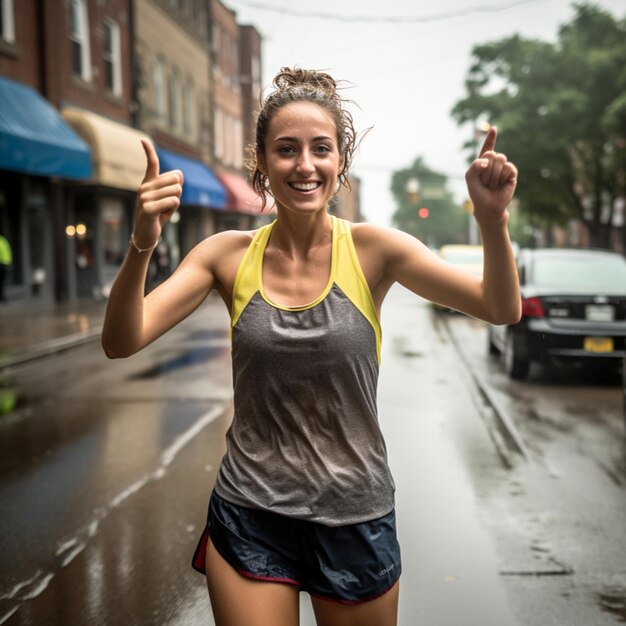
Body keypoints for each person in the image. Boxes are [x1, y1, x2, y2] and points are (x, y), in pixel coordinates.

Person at [102, 67, 521, 626]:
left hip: (355, 514)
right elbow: (122, 340)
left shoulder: (375, 250)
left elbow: (499, 307)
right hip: (250, 512)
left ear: (339, 163)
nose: (304, 165)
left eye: (320, 149)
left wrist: (493, 222)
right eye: (286, 150)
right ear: (262, 163)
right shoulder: (225, 255)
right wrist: (142, 244)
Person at [0, 230, 12, 303]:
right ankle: (2, 297)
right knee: (2, 281)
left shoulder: (2, 241)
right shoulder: (4, 240)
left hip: (2, 264)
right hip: (5, 264)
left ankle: (2, 296)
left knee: (1, 282)